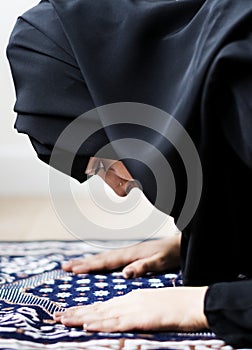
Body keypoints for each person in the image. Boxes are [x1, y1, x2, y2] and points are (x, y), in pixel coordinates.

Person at [6, 0, 252, 347]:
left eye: (103, 164)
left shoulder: (242, 68)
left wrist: (203, 305)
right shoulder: (221, 64)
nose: (120, 191)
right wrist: (218, 239)